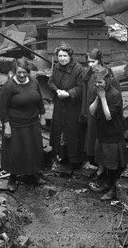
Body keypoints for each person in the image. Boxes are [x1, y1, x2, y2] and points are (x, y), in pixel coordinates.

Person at [0, 58, 46, 191]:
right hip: (15, 125)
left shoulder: (34, 81)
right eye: (19, 72)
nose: (21, 75)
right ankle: (12, 178)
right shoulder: (9, 86)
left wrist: (42, 115)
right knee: (15, 152)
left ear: (28, 72)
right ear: (15, 71)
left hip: (32, 122)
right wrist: (7, 126)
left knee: (33, 150)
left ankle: (32, 176)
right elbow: (2, 108)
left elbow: (39, 100)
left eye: (24, 72)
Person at [89, 64, 128, 200]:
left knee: (112, 163)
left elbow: (108, 116)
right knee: (104, 160)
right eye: (95, 82)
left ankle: (113, 189)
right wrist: (98, 97)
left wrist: (103, 98)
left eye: (100, 82)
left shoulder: (115, 94)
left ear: (108, 81)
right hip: (102, 132)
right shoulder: (98, 91)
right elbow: (92, 111)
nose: (97, 85)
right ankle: (106, 184)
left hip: (113, 133)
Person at [81, 48, 118, 184]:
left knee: (105, 140)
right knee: (94, 140)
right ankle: (100, 168)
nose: (90, 64)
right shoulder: (88, 74)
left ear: (100, 60)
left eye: (93, 61)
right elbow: (85, 94)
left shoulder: (108, 73)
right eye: (88, 62)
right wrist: (84, 112)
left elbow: (115, 92)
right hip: (93, 110)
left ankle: (108, 171)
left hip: (105, 110)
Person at [48, 43, 86, 171]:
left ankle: (75, 160)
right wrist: (57, 90)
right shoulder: (57, 67)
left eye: (65, 56)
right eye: (60, 56)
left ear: (70, 56)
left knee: (73, 132)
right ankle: (60, 156)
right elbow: (51, 81)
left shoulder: (78, 69)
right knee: (59, 131)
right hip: (59, 105)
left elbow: (81, 87)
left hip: (72, 107)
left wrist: (69, 93)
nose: (62, 58)